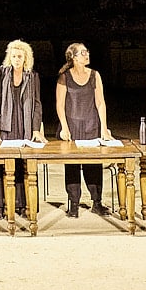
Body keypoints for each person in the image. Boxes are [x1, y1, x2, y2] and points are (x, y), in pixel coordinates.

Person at [0, 39, 44, 211]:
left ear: (26, 58)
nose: (17, 59)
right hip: (4, 125)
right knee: (1, 164)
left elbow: (37, 104)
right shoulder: (1, 73)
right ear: (9, 57)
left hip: (24, 125)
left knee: (23, 164)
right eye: (14, 56)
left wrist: (35, 128)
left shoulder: (32, 76)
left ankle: (22, 204)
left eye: (20, 56)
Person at [53, 42, 111, 218]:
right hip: (72, 125)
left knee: (94, 164)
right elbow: (60, 104)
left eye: (87, 51)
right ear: (73, 57)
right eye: (83, 52)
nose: (87, 55)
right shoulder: (64, 76)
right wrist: (64, 126)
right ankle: (74, 203)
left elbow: (100, 102)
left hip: (91, 124)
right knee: (72, 165)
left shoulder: (94, 75)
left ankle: (97, 202)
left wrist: (104, 128)